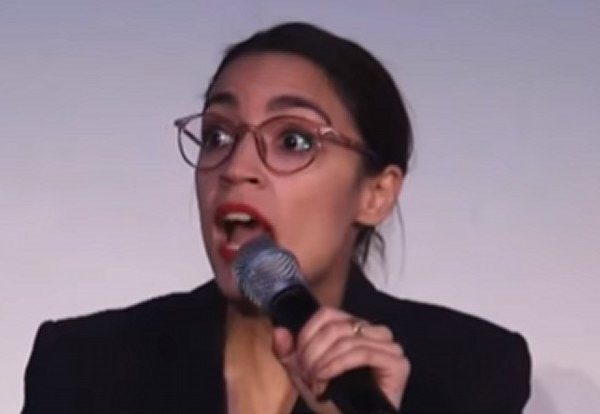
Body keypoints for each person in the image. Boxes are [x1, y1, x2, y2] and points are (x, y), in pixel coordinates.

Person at [22, 22, 531, 413]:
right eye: (218, 135)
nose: (236, 167)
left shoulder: (469, 371)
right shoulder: (83, 365)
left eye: (293, 140)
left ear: (375, 194)